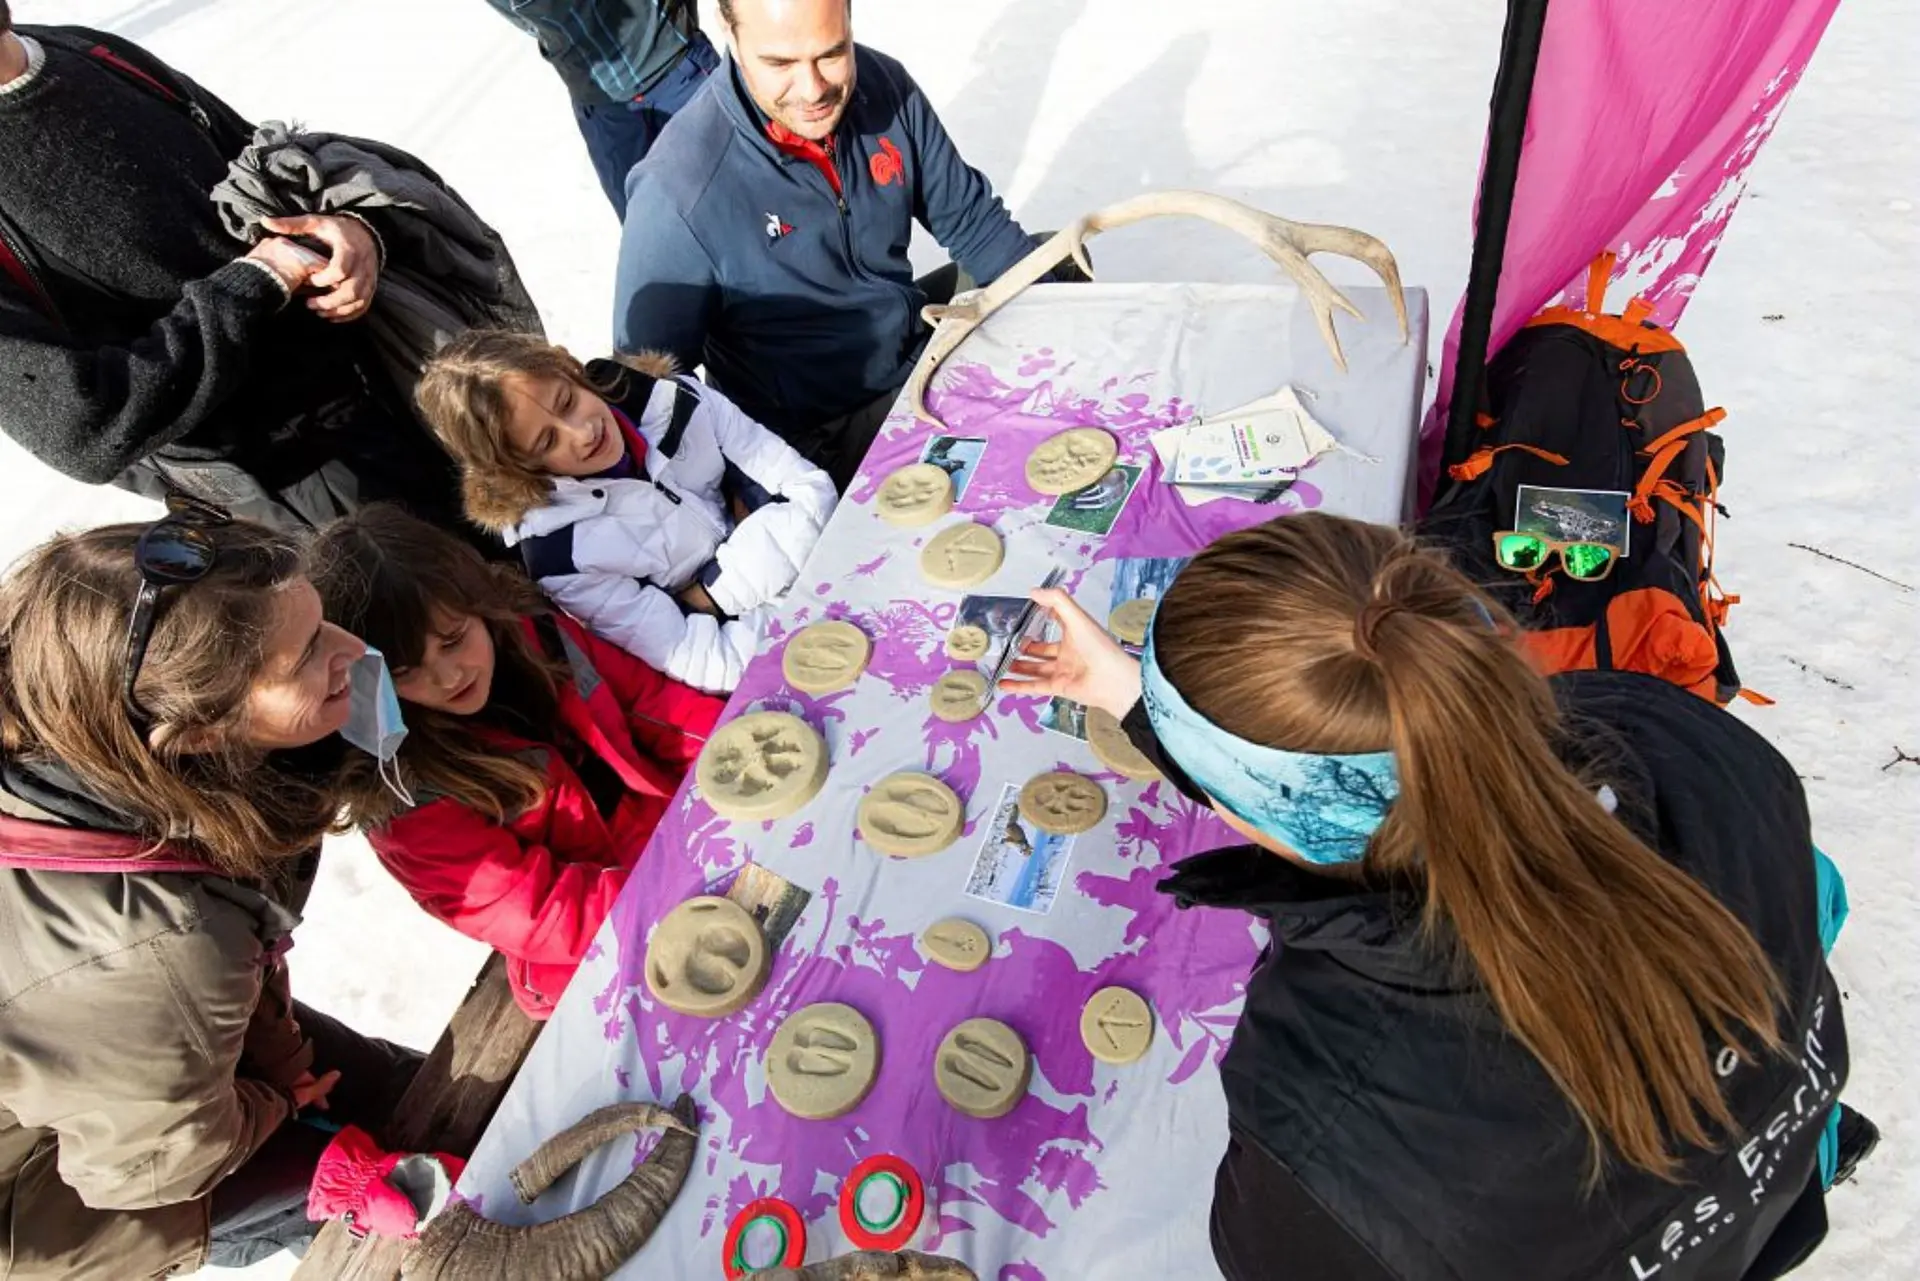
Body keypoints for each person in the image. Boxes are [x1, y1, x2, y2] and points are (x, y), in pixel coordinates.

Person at [1007, 512, 1870, 1281]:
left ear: (1263, 819)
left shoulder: (1322, 1130)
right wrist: (1134, 697)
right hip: (1774, 1196)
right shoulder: (1678, 736)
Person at [0, 510, 422, 1278]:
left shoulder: (66, 686)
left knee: (404, 1094)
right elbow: (149, 1168)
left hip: (135, 1049)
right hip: (75, 1189)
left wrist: (274, 1060)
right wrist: (276, 1103)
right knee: (413, 1208)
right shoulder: (162, 954)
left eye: (320, 621)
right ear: (196, 733)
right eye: (306, 655)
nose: (351, 651)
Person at [0, 10, 466, 532]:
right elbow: (81, 427)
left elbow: (266, 179)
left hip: (404, 376)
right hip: (305, 486)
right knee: (465, 585)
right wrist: (257, 281)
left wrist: (351, 228)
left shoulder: (83, 49)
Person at [614, 0, 1076, 489]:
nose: (813, 89)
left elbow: (974, 223)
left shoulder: (883, 85)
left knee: (1056, 271)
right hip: (818, 437)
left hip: (910, 344)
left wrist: (1071, 346)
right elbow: (647, 396)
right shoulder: (678, 192)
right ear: (729, 31)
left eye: (831, 54)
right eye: (780, 63)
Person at [311, 505, 724, 1020]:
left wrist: (730, 755)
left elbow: (652, 705)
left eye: (454, 639)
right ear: (367, 682)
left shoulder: (533, 630)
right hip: (597, 940)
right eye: (405, 671)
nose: (448, 676)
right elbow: (538, 909)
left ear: (477, 601)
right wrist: (669, 894)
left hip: (664, 826)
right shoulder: (402, 797)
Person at [416, 330, 836, 693]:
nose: (582, 433)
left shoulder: (674, 400)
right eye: (546, 442)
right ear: (518, 468)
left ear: (570, 370)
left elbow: (812, 493)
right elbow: (705, 658)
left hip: (828, 570)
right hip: (777, 653)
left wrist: (710, 594)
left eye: (567, 401)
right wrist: (793, 610)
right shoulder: (563, 557)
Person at [480, 0, 721, 216]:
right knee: (652, 231)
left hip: (677, 68)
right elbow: (525, 17)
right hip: (604, 106)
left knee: (734, 195)